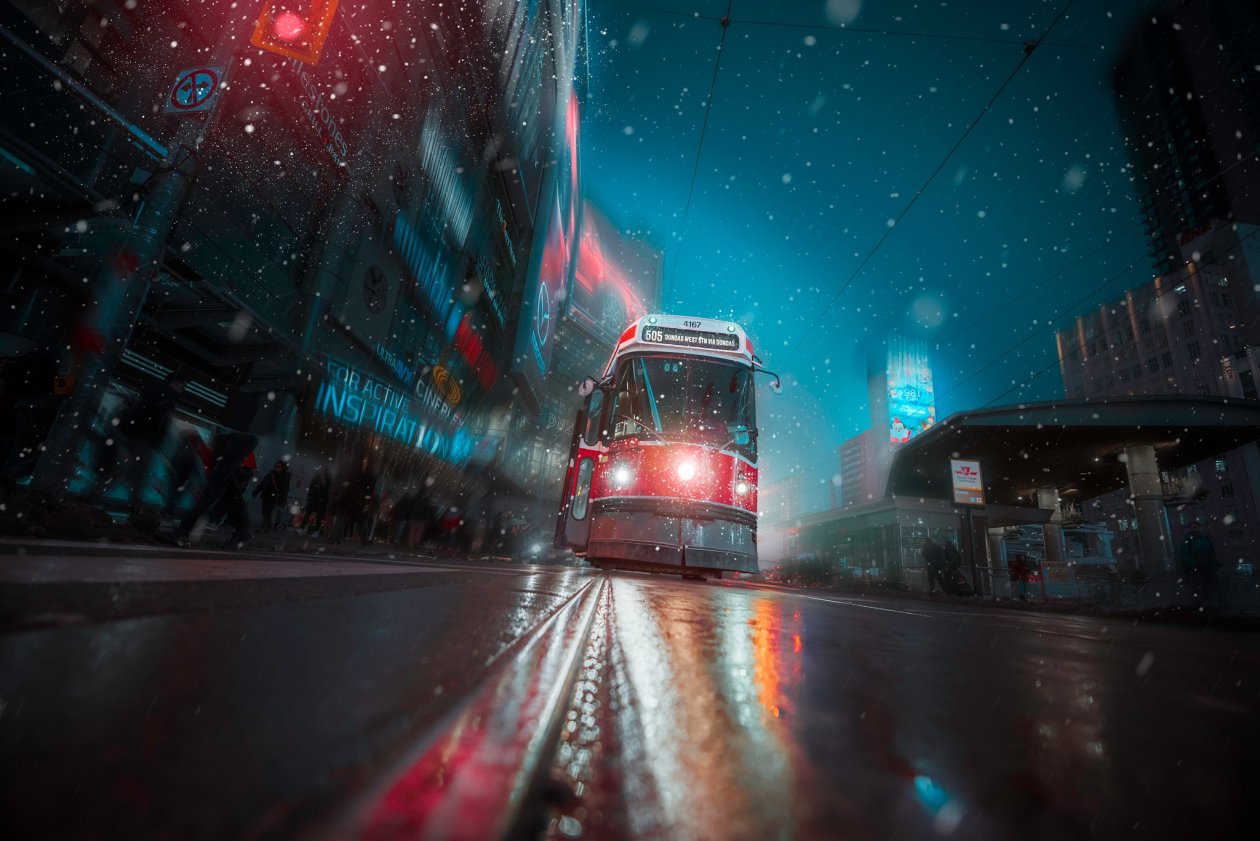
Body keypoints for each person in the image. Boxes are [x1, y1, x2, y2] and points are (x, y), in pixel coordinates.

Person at [159, 429, 258, 549]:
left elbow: (211, 475)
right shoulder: (216, 449)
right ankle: (243, 530)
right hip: (236, 450)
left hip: (235, 450)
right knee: (225, 489)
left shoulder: (215, 449)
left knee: (218, 488)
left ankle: (184, 531)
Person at [1179, 521, 1222, 608]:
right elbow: (1184, 555)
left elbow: (1212, 552)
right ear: (1189, 529)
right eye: (1192, 527)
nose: (1195, 529)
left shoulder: (1205, 539)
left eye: (1196, 527)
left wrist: (1215, 562)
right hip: (1196, 570)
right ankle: (1204, 607)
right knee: (1201, 590)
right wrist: (1194, 564)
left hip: (1209, 568)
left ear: (1200, 528)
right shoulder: (1187, 541)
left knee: (1217, 587)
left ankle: (1221, 605)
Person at [252, 460, 291, 530]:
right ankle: (269, 526)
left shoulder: (285, 477)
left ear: (283, 468)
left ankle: (263, 527)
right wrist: (255, 492)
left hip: (274, 497)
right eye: (275, 466)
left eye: (279, 467)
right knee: (264, 511)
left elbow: (285, 489)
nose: (276, 468)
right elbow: (263, 483)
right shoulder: (271, 474)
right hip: (266, 495)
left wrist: (282, 498)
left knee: (267, 511)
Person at [303, 468, 330, 535]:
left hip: (321, 501)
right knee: (308, 514)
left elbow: (327, 492)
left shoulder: (326, 482)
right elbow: (311, 489)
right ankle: (302, 528)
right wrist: (309, 496)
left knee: (319, 517)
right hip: (314, 500)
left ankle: (316, 531)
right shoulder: (316, 480)